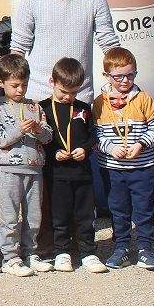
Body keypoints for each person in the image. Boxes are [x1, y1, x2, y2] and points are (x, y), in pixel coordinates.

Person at [11, 0, 119, 103]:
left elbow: (109, 43)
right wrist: (14, 93)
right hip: (39, 97)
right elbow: (18, 49)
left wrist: (122, 79)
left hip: (79, 96)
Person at [91, 47, 154, 271]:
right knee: (118, 208)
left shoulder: (143, 98)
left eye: (130, 75)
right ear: (107, 76)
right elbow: (95, 135)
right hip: (113, 168)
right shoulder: (99, 103)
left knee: (143, 208)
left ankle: (145, 248)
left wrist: (141, 144)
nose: (125, 80)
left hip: (143, 166)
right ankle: (120, 247)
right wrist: (110, 148)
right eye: (118, 76)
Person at [0, 54, 53, 277]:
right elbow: (0, 139)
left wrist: (38, 129)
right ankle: (10, 257)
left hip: (35, 168)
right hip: (9, 170)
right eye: (14, 85)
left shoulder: (35, 107)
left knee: (34, 216)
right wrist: (20, 130)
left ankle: (30, 252)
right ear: (1, 83)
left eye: (23, 85)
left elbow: (48, 137)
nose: (19, 90)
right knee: (10, 216)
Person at [40, 58, 105, 274]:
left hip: (82, 173)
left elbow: (92, 135)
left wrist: (85, 149)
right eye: (63, 92)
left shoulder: (83, 108)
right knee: (60, 215)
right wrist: (53, 152)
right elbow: (40, 140)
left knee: (85, 214)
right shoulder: (43, 108)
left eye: (74, 93)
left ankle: (88, 252)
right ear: (52, 82)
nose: (69, 97)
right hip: (56, 174)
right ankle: (61, 252)